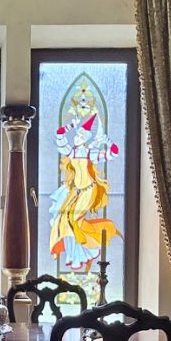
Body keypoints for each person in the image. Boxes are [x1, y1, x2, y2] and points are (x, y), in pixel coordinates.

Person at [48, 113, 121, 271]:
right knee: (64, 218)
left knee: (73, 219)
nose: (77, 138)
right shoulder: (72, 152)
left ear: (86, 139)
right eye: (77, 135)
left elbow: (114, 153)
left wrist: (106, 141)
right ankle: (75, 254)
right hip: (76, 191)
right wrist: (71, 126)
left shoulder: (90, 153)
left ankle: (87, 249)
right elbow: (59, 136)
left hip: (88, 191)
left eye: (81, 136)